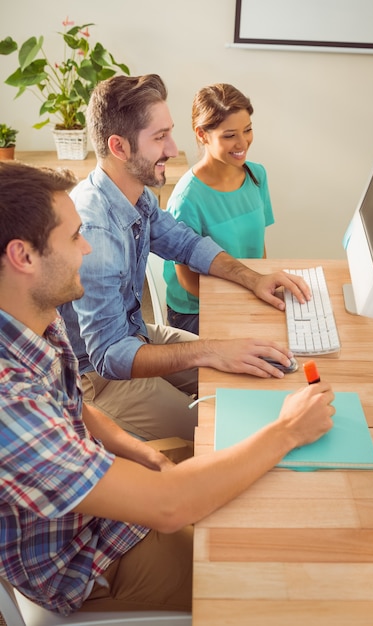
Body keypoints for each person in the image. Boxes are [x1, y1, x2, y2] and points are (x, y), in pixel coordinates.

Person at [0, 160, 335, 616]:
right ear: (23, 257)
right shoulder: (8, 403)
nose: (87, 248)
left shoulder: (31, 317)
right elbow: (170, 505)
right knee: (273, 573)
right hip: (87, 561)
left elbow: (73, 405)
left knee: (263, 484)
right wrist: (289, 430)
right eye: (74, 236)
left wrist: (138, 451)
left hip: (103, 496)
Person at [60, 74, 311, 443]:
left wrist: (252, 278)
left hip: (137, 335)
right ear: (119, 147)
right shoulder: (97, 232)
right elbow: (110, 356)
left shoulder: (133, 193)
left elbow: (187, 244)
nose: (174, 149)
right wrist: (209, 349)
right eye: (160, 137)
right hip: (100, 378)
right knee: (228, 430)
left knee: (256, 369)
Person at [164, 83, 274, 335]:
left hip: (246, 290)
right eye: (229, 135)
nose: (242, 142)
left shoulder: (257, 175)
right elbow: (186, 280)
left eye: (247, 130)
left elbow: (260, 246)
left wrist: (261, 284)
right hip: (197, 309)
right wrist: (236, 303)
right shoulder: (186, 200)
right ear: (202, 134)